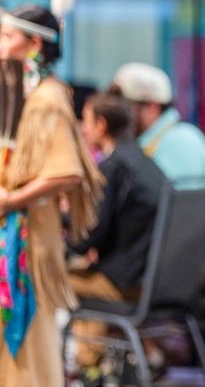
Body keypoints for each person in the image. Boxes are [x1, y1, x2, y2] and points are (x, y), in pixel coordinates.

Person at [0, 5, 103, 387]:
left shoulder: (47, 98)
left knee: (27, 334)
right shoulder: (28, 92)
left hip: (28, 240)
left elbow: (67, 171)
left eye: (8, 36)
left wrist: (12, 200)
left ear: (34, 44)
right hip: (18, 232)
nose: (1, 44)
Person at [68, 92, 167, 369]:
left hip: (126, 284)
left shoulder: (113, 168)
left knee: (49, 278)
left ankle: (84, 366)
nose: (82, 128)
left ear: (101, 125)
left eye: (85, 121)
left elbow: (91, 235)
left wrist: (61, 244)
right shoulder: (146, 164)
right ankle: (91, 363)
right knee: (87, 273)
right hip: (153, 279)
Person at [111, 62, 205, 189]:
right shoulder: (167, 138)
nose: (117, 114)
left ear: (152, 107)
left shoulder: (179, 144)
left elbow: (172, 205)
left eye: (125, 107)